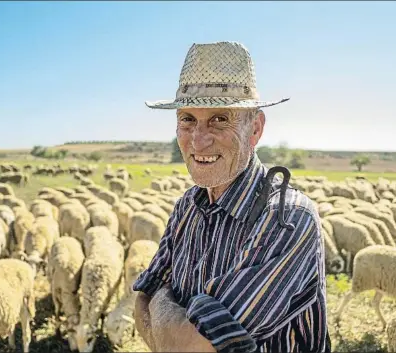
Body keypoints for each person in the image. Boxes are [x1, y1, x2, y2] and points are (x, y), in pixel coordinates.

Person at [133, 41, 330, 353]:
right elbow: (139, 300)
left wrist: (160, 300)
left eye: (219, 119)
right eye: (187, 119)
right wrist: (169, 321)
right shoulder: (187, 206)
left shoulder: (286, 218)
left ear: (255, 129)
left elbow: (192, 347)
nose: (199, 140)